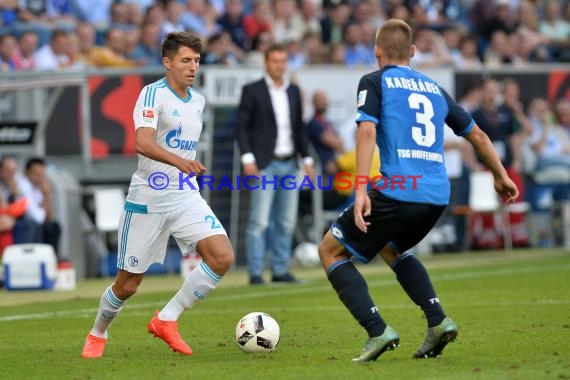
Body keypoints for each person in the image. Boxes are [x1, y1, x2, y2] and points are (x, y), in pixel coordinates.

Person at [317, 19, 519, 363]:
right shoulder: (435, 88)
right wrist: (500, 175)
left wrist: (361, 188)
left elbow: (366, 132)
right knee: (391, 248)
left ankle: (377, 330)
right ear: (412, 52)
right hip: (438, 195)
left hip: (398, 189)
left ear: (377, 52)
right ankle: (438, 322)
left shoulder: (373, 81)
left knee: (331, 251)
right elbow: (479, 136)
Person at [81, 32, 235, 359]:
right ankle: (98, 332)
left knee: (222, 256)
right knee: (128, 285)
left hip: (183, 194)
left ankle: (166, 319)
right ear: (167, 62)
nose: (192, 67)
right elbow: (143, 142)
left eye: (196, 60)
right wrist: (181, 162)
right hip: (148, 197)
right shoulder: (152, 94)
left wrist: (183, 169)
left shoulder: (198, 100)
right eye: (185, 60)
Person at [236, 43, 314, 285]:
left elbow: (299, 129)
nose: (279, 65)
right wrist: (248, 159)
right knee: (259, 221)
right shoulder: (252, 90)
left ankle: (280, 269)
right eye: (275, 61)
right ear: (266, 63)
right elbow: (241, 128)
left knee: (286, 221)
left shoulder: (293, 92)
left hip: (289, 163)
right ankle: (256, 273)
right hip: (264, 164)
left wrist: (307, 159)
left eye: (283, 61)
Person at [17, 157, 61, 253]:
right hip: (24, 224)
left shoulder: (38, 188)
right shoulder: (23, 185)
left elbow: (49, 218)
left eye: (41, 174)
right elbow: (37, 218)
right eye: (36, 174)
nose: (39, 177)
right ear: (27, 172)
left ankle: (51, 257)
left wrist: (47, 196)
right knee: (35, 226)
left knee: (54, 227)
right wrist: (45, 196)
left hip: (34, 222)